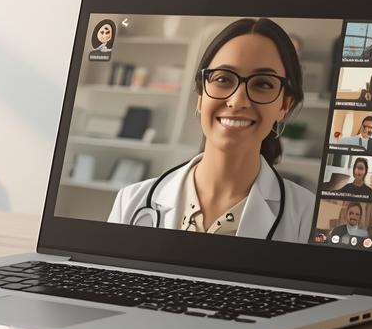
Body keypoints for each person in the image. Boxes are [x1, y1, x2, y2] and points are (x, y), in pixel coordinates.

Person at [108, 18, 316, 243]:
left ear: (284, 106)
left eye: (263, 84)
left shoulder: (308, 216)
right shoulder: (131, 201)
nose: (238, 101)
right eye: (223, 79)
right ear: (201, 97)